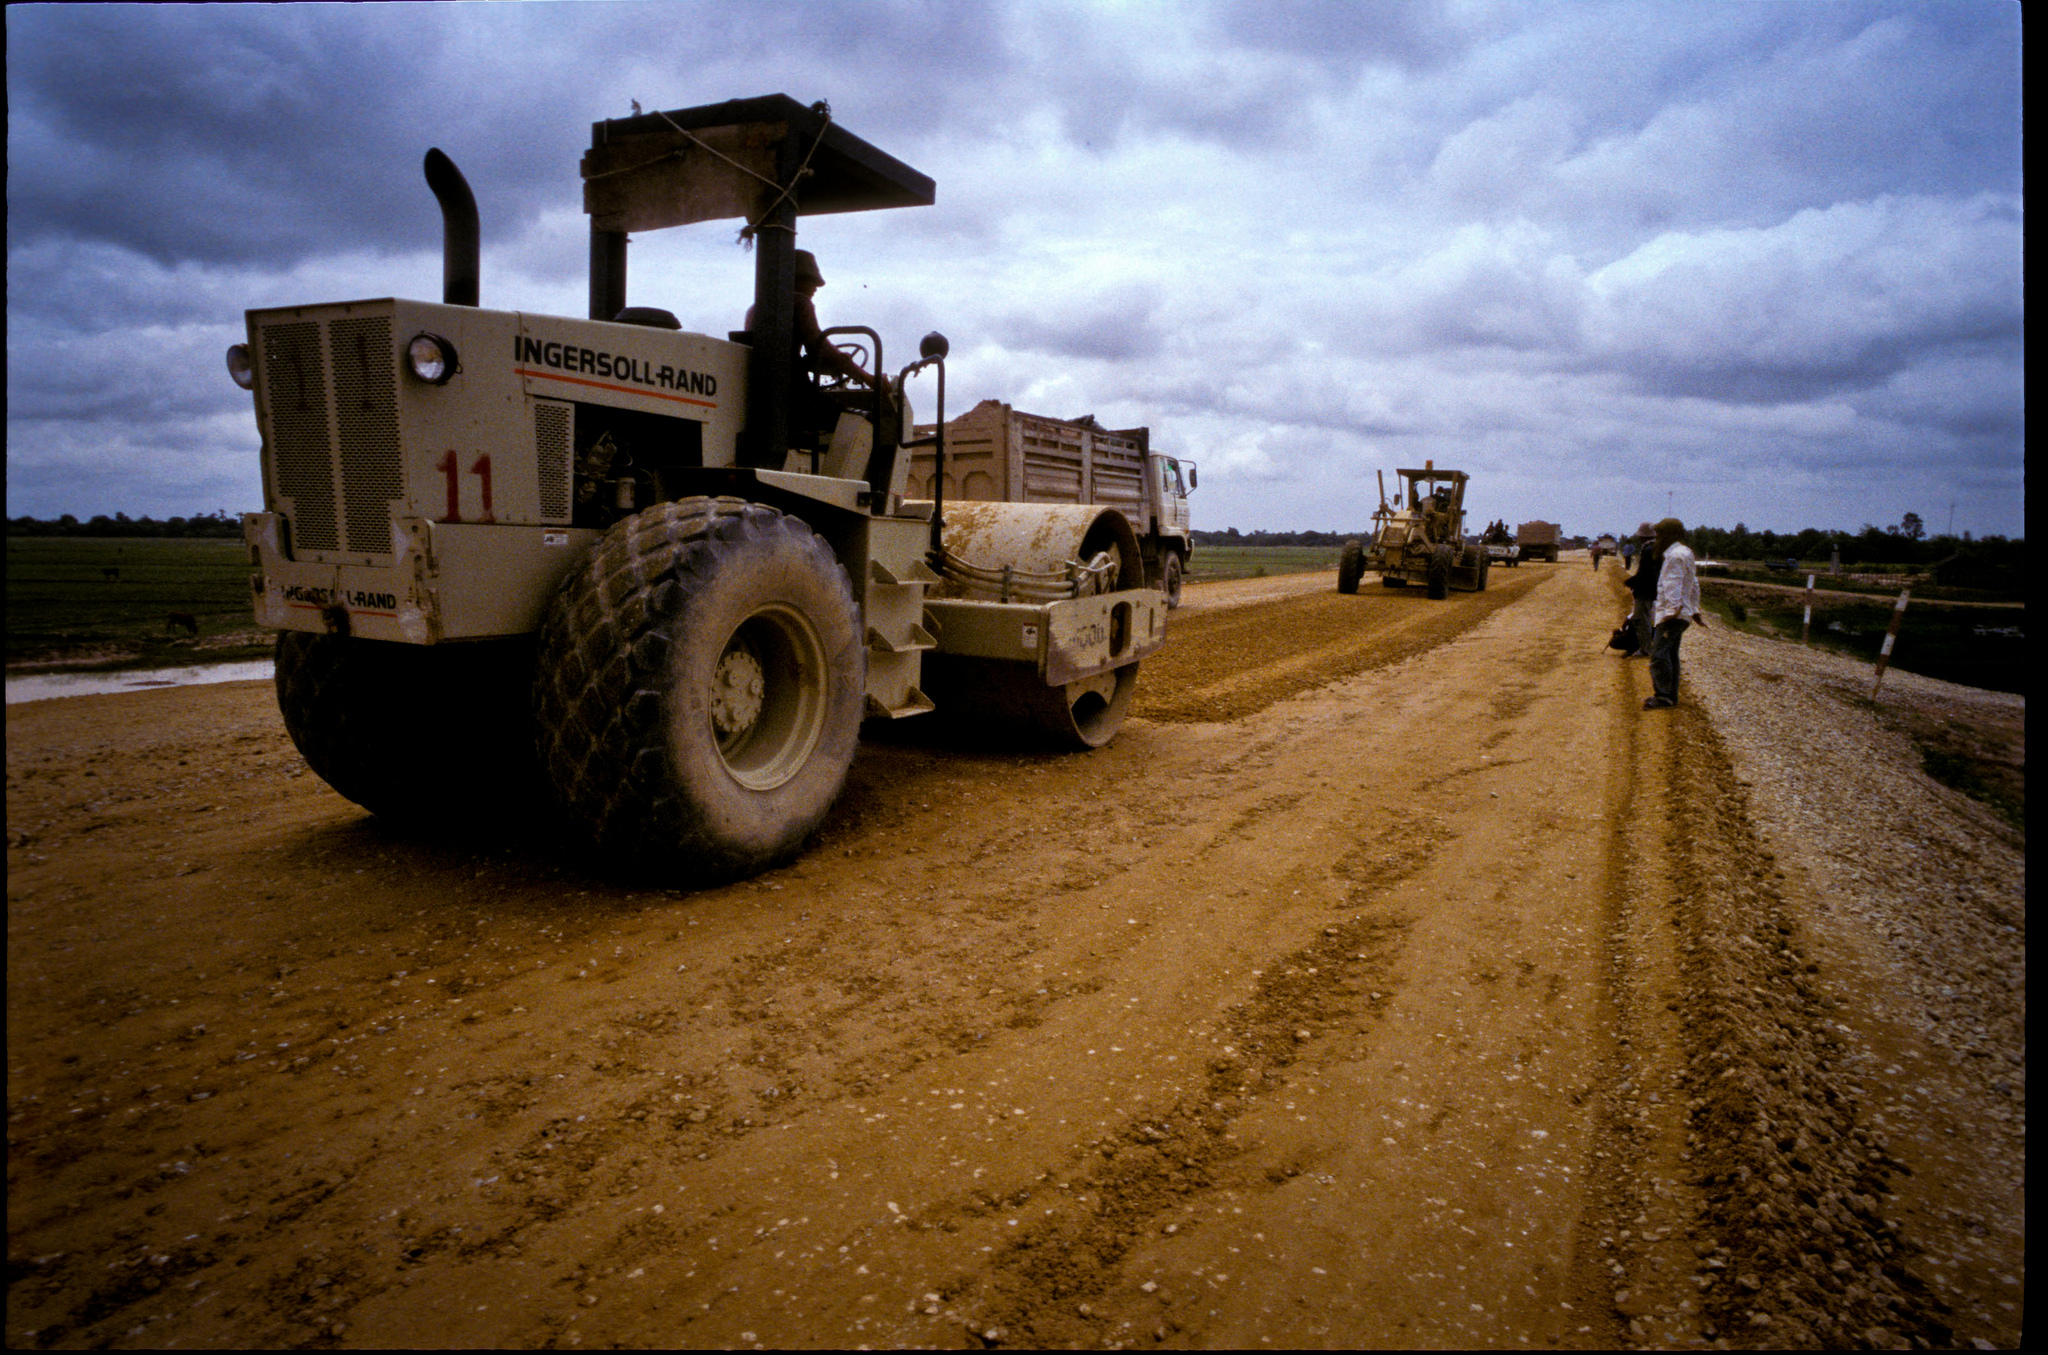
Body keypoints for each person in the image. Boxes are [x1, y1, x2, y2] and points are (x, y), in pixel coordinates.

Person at [1644, 517, 1706, 709]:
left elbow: (1674, 584)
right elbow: (1693, 583)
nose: (1657, 539)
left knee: (1658, 656)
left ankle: (1663, 697)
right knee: (1670, 654)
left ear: (1668, 535)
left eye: (1660, 534)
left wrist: (1672, 611)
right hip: (1681, 613)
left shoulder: (1674, 556)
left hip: (1672, 615)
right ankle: (1670, 696)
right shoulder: (1685, 552)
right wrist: (1694, 609)